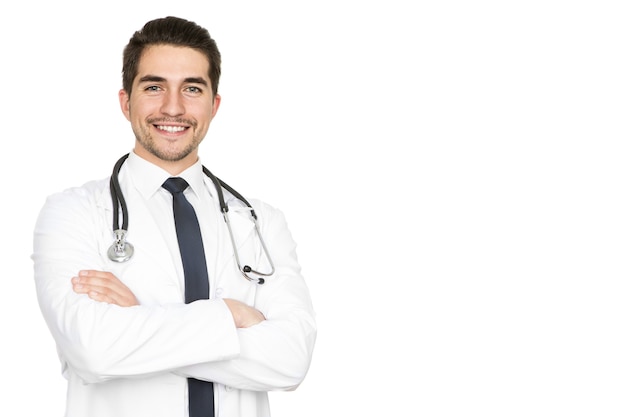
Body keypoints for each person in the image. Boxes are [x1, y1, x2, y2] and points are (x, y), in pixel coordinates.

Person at [32, 16, 316, 417]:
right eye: (154, 87)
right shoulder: (73, 213)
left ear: (214, 105)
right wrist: (231, 316)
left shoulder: (258, 221)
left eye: (192, 89)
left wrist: (139, 319)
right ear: (125, 101)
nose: (173, 108)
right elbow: (93, 350)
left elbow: (291, 358)